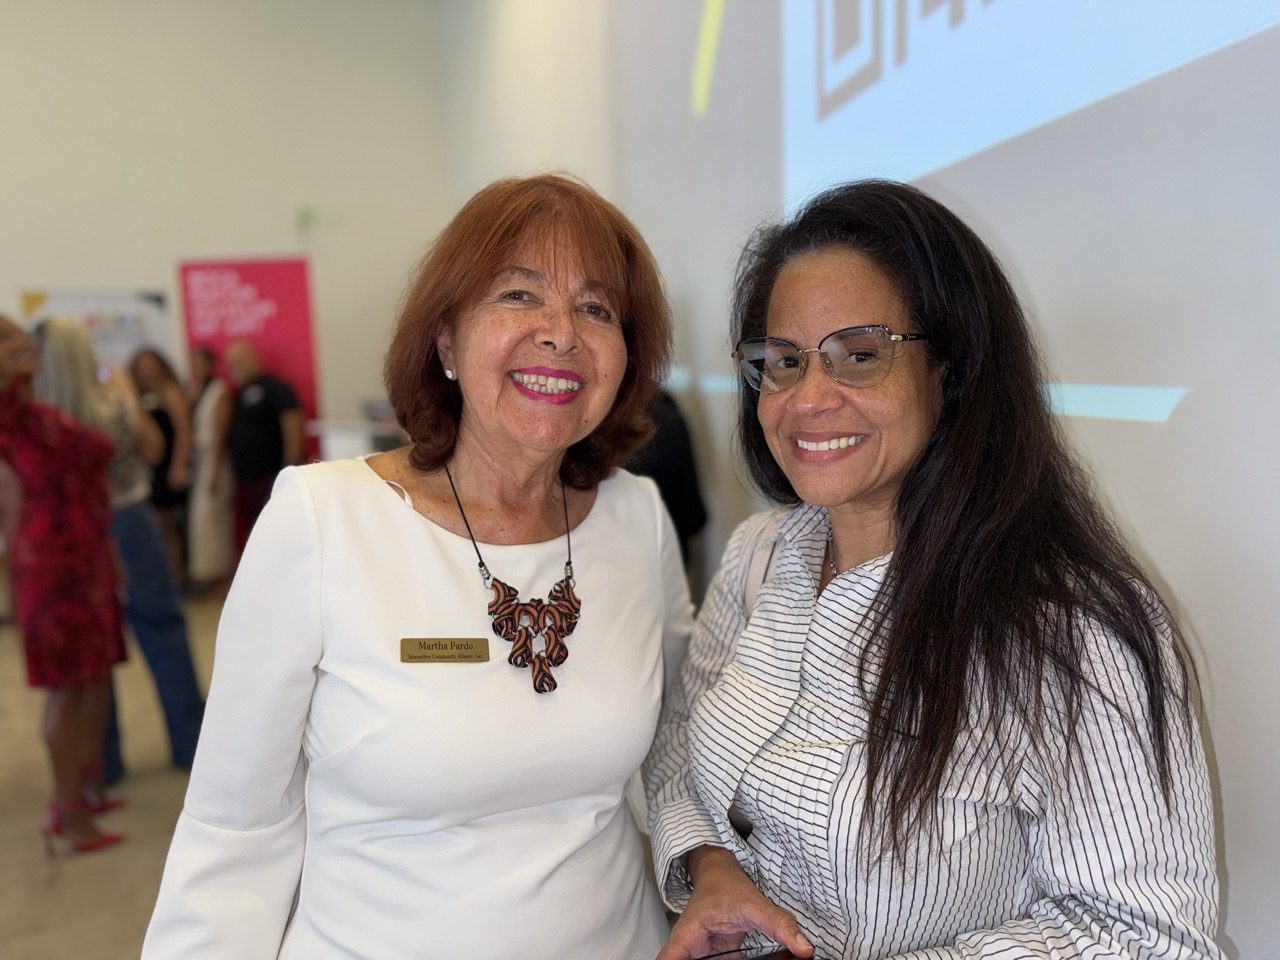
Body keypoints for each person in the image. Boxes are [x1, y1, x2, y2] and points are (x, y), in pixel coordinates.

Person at [645, 180, 1222, 960]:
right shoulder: (760, 555)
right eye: (783, 361)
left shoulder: (1070, 630)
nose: (807, 398)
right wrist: (710, 867)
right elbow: (679, 740)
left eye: (860, 355)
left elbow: (1148, 935)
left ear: (950, 368)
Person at [142, 174, 693, 958]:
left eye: (597, 309)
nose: (561, 334)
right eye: (519, 296)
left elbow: (674, 749)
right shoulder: (322, 519)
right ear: (445, 342)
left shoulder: (638, 519)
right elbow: (235, 827)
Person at [32, 317, 205, 784]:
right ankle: (191, 743)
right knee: (163, 629)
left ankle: (101, 762)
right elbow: (153, 450)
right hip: (129, 520)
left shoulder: (42, 417)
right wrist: (127, 393)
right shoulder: (111, 402)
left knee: (93, 648)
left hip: (71, 533)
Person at [0, 315, 126, 855]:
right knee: (66, 685)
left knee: (93, 677)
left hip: (87, 555)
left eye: (19, 334)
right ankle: (66, 812)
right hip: (50, 565)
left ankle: (88, 787)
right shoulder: (9, 422)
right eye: (5, 338)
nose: (22, 343)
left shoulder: (33, 411)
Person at [225, 339, 303, 541]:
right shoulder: (238, 394)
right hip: (246, 477)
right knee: (256, 528)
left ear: (254, 359)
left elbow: (292, 423)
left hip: (271, 474)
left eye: (240, 362)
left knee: (278, 528)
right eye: (232, 364)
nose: (236, 369)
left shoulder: (276, 388)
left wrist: (291, 463)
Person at [130, 347, 193, 584]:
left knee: (165, 523)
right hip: (146, 469)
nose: (146, 373)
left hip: (166, 467)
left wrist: (179, 465)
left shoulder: (169, 393)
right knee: (155, 524)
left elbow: (184, 431)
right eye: (142, 368)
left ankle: (175, 577)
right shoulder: (137, 396)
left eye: (150, 367)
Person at [629, 388, 709, 568]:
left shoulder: (605, 432)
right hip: (674, 552)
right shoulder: (667, 411)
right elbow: (695, 516)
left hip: (640, 560)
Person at [185, 345, 235, 589]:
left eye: (200, 362)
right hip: (200, 460)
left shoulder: (219, 392)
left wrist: (214, 469)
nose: (196, 368)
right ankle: (207, 573)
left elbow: (220, 434)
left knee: (212, 518)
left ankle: (220, 573)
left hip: (214, 460)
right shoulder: (196, 392)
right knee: (201, 520)